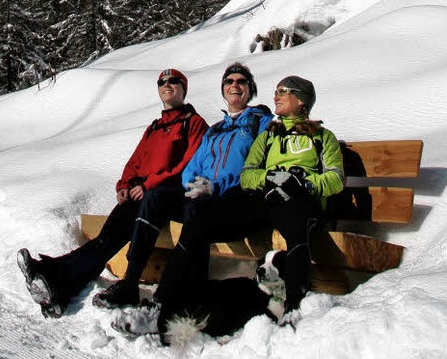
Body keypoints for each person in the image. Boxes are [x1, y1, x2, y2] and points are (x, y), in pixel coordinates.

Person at [155, 75, 344, 337]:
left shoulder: (323, 137)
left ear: (301, 101)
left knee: (296, 221)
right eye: (275, 90)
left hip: (301, 200)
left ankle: (293, 305)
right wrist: (267, 178)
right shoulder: (269, 136)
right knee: (201, 222)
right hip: (265, 199)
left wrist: (303, 182)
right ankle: (162, 302)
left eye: (283, 91)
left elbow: (335, 179)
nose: (276, 95)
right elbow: (248, 174)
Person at [17, 69, 208, 318]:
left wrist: (149, 185)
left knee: (107, 241)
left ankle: (50, 274)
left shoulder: (193, 123)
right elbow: (135, 162)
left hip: (162, 198)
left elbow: (187, 164)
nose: (167, 85)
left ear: (184, 89)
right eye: (162, 82)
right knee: (105, 242)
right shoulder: (155, 127)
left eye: (174, 82)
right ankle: (57, 289)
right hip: (138, 195)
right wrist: (124, 186)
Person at [92, 62, 273, 309]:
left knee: (197, 212)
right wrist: (192, 184)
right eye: (229, 82)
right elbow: (193, 165)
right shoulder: (216, 130)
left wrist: (215, 186)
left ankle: (169, 299)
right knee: (156, 197)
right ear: (223, 90)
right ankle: (130, 281)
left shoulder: (261, 123)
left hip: (233, 198)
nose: (234, 85)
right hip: (202, 194)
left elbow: (256, 165)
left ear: (250, 89)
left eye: (241, 81)